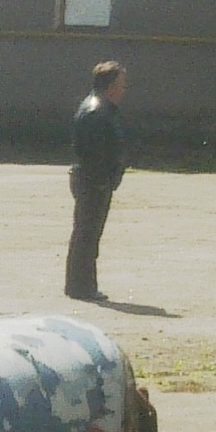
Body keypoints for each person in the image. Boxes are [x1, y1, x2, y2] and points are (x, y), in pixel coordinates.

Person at [66, 60, 126, 301]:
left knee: (88, 234)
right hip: (93, 181)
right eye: (121, 85)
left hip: (95, 180)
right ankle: (81, 287)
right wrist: (101, 180)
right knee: (87, 235)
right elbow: (93, 152)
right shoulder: (96, 112)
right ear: (110, 86)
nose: (123, 90)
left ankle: (82, 285)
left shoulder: (101, 108)